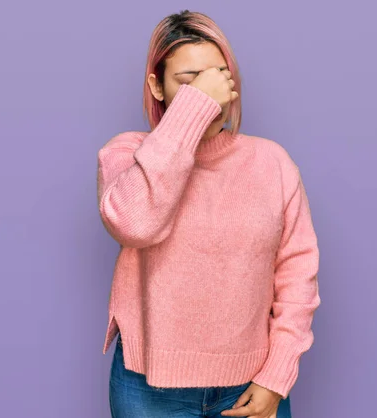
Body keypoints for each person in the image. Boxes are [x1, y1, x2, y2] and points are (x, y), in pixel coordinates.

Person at [97, 10, 320, 418]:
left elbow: (297, 278)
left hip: (252, 386)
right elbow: (135, 225)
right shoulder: (127, 155)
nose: (210, 93)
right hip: (148, 390)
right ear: (157, 86)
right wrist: (191, 113)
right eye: (190, 82)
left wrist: (277, 376)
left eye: (218, 77)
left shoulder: (272, 163)